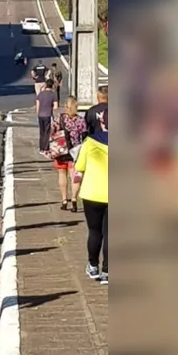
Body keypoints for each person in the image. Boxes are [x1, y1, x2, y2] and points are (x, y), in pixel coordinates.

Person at [75, 107, 108, 285]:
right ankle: (109, 271)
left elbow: (79, 166)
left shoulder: (90, 142)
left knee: (95, 232)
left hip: (93, 193)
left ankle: (93, 266)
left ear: (102, 123)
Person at [49, 96, 87, 212]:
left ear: (66, 106)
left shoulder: (60, 118)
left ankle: (64, 200)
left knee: (62, 174)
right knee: (74, 175)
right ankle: (74, 199)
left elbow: (52, 131)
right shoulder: (80, 120)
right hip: (75, 151)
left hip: (61, 150)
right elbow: (85, 135)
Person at [36, 79, 59, 154]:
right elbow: (55, 107)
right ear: (52, 86)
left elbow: (37, 105)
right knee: (47, 132)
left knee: (41, 132)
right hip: (48, 115)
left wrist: (38, 114)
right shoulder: (53, 95)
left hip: (40, 115)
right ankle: (46, 148)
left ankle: (41, 147)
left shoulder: (41, 94)